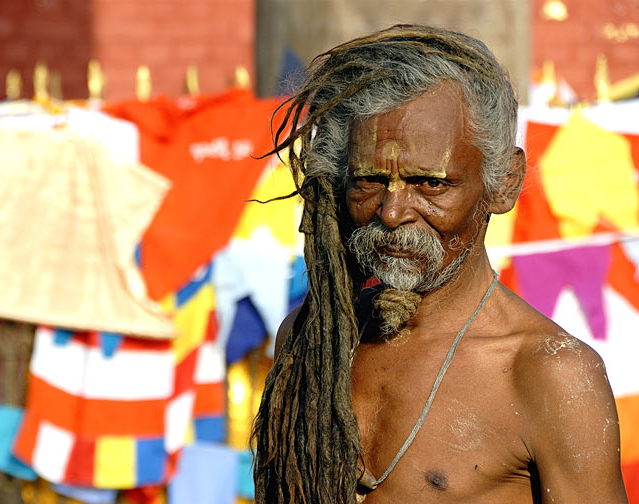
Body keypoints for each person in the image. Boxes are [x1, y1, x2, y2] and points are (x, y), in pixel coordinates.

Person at [251, 24, 628, 503]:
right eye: (367, 180)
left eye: (431, 184)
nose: (392, 213)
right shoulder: (311, 339)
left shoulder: (547, 373)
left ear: (504, 184)